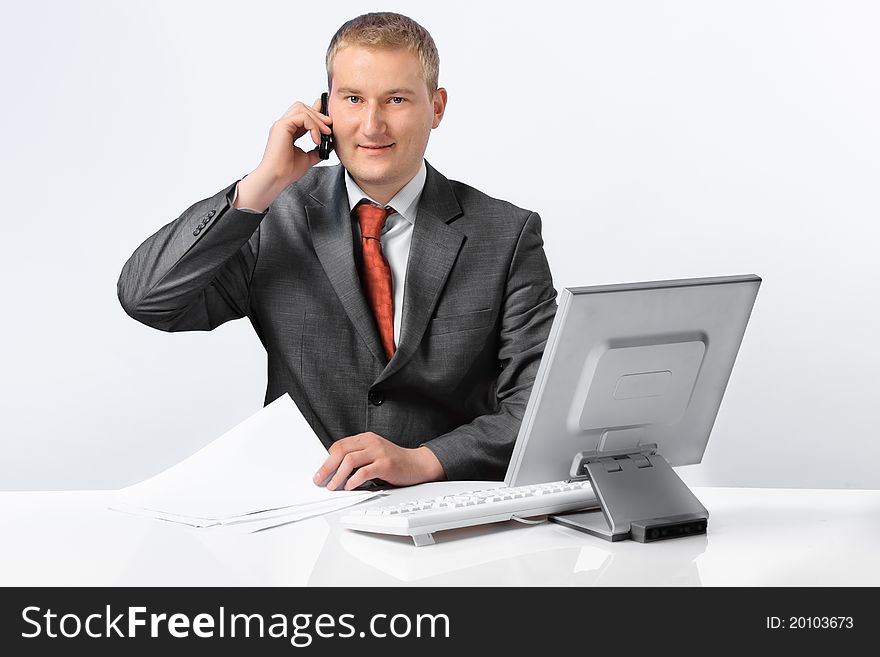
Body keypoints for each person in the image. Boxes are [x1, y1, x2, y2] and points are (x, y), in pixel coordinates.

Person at [117, 12, 556, 491]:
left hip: (448, 511)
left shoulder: (506, 233)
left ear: (437, 107)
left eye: (396, 99)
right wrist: (261, 185)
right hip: (305, 514)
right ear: (326, 108)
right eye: (353, 99)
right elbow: (148, 299)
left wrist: (426, 460)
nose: (372, 124)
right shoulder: (272, 219)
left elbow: (541, 403)